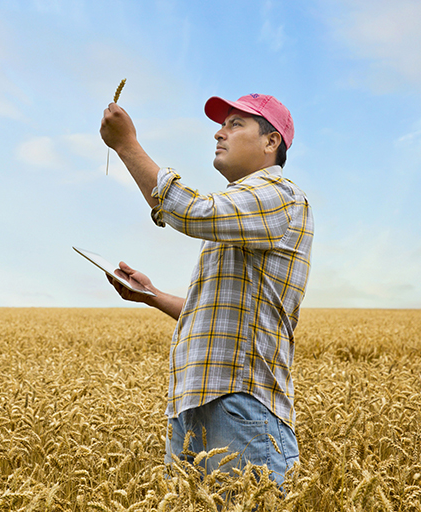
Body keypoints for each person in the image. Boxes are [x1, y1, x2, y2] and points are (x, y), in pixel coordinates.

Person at [99, 93, 313, 486]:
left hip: (242, 407)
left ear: (271, 142)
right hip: (194, 406)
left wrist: (126, 145)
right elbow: (216, 315)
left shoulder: (277, 195)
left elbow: (191, 210)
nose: (219, 132)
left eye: (235, 124)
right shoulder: (243, 213)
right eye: (222, 124)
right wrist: (153, 295)